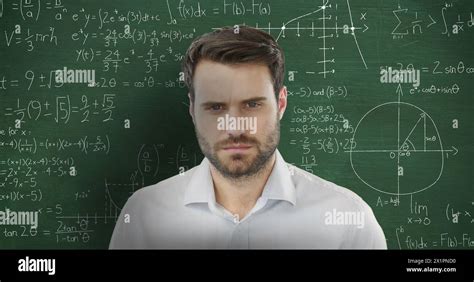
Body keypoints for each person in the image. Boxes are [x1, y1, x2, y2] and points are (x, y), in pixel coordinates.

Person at [109, 26, 387, 249]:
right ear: (193, 109)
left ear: (280, 104)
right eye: (216, 107)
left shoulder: (349, 221)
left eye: (252, 105)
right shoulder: (145, 215)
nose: (234, 126)